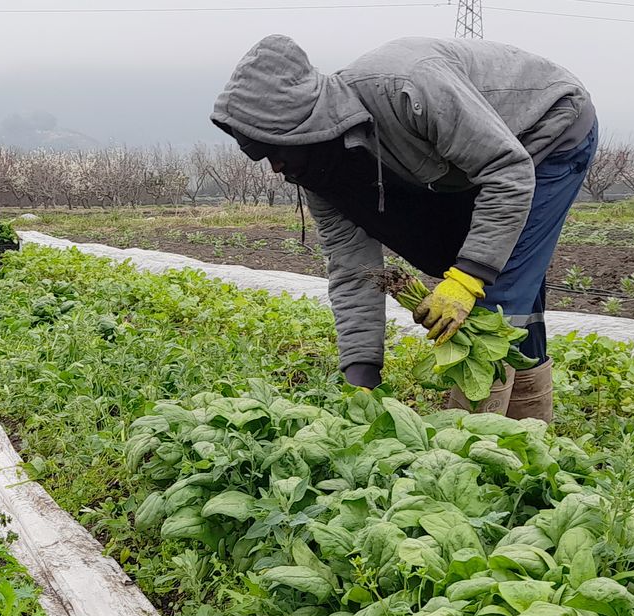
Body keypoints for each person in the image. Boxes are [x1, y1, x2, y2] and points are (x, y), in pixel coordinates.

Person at [211, 34, 597, 422]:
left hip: (548, 130)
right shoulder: (324, 176)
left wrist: (467, 277)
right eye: (261, 156)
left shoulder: (407, 88)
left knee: (498, 288)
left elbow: (506, 171)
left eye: (273, 150)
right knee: (508, 280)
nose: (275, 168)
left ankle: (476, 441)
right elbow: (354, 271)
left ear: (300, 126)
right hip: (479, 162)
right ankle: (532, 423)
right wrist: (361, 375)